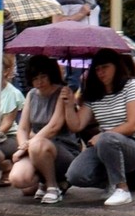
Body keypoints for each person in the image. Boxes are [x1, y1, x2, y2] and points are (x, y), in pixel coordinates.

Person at [65, 49, 135, 207]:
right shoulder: (95, 93)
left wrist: (103, 136)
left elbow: (134, 125)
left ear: (116, 67)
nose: (101, 72)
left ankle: (122, 189)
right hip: (106, 145)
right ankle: (112, 182)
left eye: (105, 67)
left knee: (106, 138)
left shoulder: (131, 86)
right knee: (75, 175)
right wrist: (69, 105)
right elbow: (77, 125)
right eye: (97, 69)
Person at [9, 55, 83, 204]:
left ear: (51, 75)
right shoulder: (31, 95)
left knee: (38, 144)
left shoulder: (62, 93)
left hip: (61, 149)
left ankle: (52, 186)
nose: (39, 82)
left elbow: (53, 127)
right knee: (20, 180)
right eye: (35, 78)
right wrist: (23, 145)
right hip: (34, 148)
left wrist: (25, 148)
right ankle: (49, 180)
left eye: (43, 76)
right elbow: (23, 128)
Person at [0, 53, 27, 185]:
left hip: (8, 136)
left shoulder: (12, 94)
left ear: (6, 72)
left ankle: (6, 168)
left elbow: (7, 124)